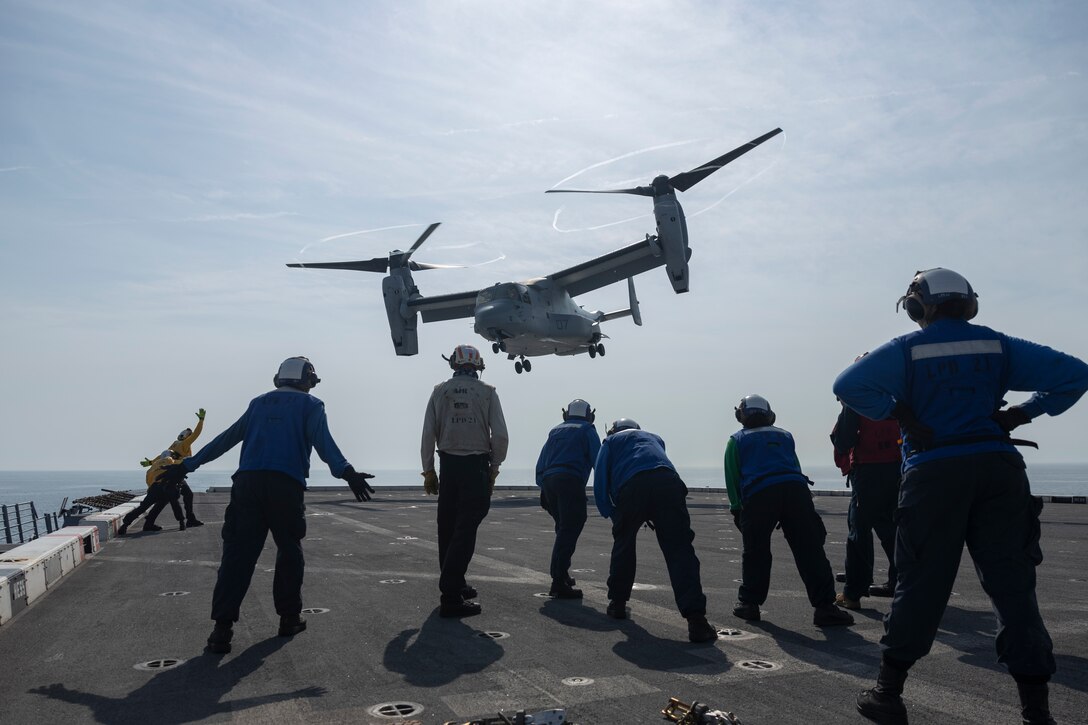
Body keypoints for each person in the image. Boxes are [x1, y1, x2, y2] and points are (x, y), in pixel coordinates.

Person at [833, 268, 1088, 725]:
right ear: (969, 304)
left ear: (917, 307)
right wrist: (1019, 414)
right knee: (1014, 589)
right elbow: (1076, 375)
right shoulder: (998, 345)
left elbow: (847, 386)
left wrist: (902, 414)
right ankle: (1036, 711)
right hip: (998, 470)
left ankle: (888, 695)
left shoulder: (906, 350)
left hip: (933, 473)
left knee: (920, 584)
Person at [161, 356, 375, 654]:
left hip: (247, 485)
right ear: (308, 380)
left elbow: (226, 439)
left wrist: (187, 466)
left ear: (278, 379)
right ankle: (289, 617)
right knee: (289, 551)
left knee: (237, 555)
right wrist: (347, 472)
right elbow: (324, 444)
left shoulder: (258, 403)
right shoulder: (311, 406)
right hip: (285, 487)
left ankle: (221, 630)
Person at [725, 395, 854, 628]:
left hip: (759, 494)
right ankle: (825, 607)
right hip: (795, 490)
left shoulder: (737, 440)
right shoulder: (784, 435)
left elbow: (732, 476)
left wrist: (737, 509)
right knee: (810, 549)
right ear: (769, 414)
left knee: (756, 551)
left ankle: (749, 604)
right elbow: (795, 466)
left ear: (741, 415)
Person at [593, 418, 716, 643]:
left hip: (631, 486)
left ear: (613, 430)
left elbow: (600, 478)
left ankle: (618, 603)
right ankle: (697, 620)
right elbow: (657, 464)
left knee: (624, 544)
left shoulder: (610, 441)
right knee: (680, 550)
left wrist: (612, 513)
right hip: (668, 482)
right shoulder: (654, 437)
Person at [421, 344, 509, 618]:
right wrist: (494, 469)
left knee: (447, 526)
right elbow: (501, 436)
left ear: (454, 365)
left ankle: (455, 583)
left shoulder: (440, 391)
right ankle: (450, 595)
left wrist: (429, 471)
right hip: (476, 467)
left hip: (448, 465)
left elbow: (428, 434)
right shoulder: (488, 392)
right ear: (478, 366)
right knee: (466, 528)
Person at [830, 388, 901, 610]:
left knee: (858, 531)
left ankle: (853, 593)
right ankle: (899, 582)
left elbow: (844, 440)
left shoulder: (857, 398)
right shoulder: (897, 396)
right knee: (893, 530)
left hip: (869, 472)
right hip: (901, 470)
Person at [535, 399, 601, 599]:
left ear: (566, 414)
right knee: (570, 528)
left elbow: (541, 462)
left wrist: (544, 488)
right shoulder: (587, 430)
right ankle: (557, 581)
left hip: (549, 482)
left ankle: (562, 574)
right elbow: (599, 460)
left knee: (563, 528)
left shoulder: (555, 431)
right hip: (570, 481)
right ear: (590, 415)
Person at [140, 409, 207, 528]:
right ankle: (188, 520)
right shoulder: (185, 444)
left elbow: (164, 456)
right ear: (187, 437)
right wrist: (201, 421)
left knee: (164, 499)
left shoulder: (174, 444)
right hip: (176, 473)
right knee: (186, 494)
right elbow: (197, 434)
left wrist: (150, 462)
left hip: (168, 473)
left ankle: (149, 522)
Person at [119, 449, 186, 535]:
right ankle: (181, 523)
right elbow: (179, 463)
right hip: (167, 486)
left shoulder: (154, 465)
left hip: (154, 488)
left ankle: (126, 525)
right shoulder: (169, 460)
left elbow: (149, 479)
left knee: (144, 507)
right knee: (175, 504)